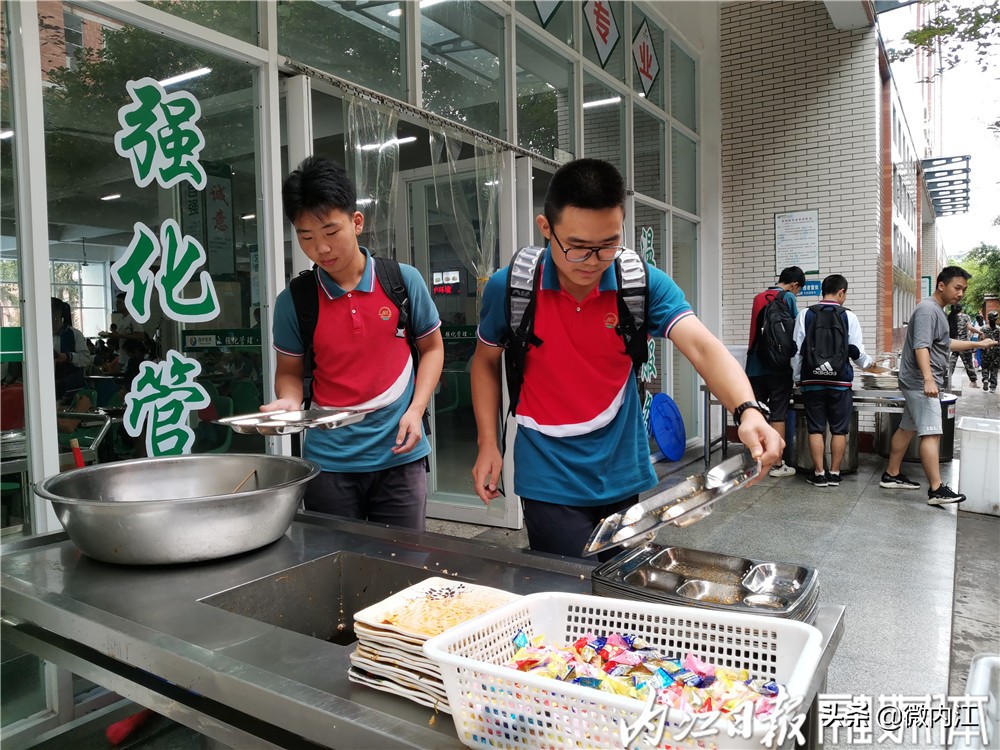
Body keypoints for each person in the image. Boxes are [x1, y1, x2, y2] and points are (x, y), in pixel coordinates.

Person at [470, 158, 783, 560]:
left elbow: (703, 346)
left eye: (608, 244)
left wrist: (748, 411)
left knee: (620, 591)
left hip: (621, 469)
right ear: (546, 228)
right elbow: (483, 362)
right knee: (575, 593)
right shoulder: (511, 287)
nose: (594, 261)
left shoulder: (640, 283)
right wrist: (487, 444)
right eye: (578, 247)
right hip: (547, 472)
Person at [262, 156, 444, 531]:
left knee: (403, 566)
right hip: (330, 463)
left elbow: (432, 348)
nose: (321, 249)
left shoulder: (402, 282)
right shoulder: (295, 301)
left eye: (331, 232)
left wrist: (417, 409)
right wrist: (289, 403)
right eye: (306, 237)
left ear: (356, 222)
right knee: (338, 569)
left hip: (400, 456)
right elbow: (290, 373)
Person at [880, 267, 997, 505]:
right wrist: (929, 379)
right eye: (957, 288)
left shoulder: (937, 312)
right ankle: (936, 489)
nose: (961, 293)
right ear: (941, 285)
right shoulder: (927, 311)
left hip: (917, 380)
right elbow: (921, 346)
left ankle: (891, 474)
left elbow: (945, 343)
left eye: (964, 289)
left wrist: (979, 344)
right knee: (932, 432)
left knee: (907, 428)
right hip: (920, 382)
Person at [791, 275, 884, 486]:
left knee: (816, 429)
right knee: (839, 429)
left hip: (812, 381)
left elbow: (796, 351)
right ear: (841, 292)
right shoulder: (849, 316)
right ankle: (834, 473)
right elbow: (856, 352)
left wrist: (798, 377)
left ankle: (819, 473)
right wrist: (871, 366)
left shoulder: (806, 314)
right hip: (840, 382)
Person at [745, 265, 806, 478]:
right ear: (795, 284)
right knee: (778, 414)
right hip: (778, 368)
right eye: (798, 289)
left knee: (758, 413)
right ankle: (778, 464)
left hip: (755, 366)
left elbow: (754, 334)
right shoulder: (787, 298)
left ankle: (757, 460)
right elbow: (795, 334)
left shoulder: (758, 297)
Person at [51, 297, 94, 404]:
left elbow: (85, 359)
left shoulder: (74, 334)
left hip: (71, 388)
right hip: (49, 386)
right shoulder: (40, 334)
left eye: (54, 317)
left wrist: (68, 356)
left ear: (59, 314)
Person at [947, 304, 980, 389]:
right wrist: (980, 333)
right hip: (964, 344)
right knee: (968, 364)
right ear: (961, 309)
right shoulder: (965, 316)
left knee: (951, 363)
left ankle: (947, 381)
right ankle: (973, 382)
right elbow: (970, 328)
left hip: (953, 344)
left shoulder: (949, 317)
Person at [981, 311, 1000, 393]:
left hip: (986, 351)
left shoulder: (984, 328)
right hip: (996, 352)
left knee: (985, 367)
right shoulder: (999, 329)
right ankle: (992, 386)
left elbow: (980, 339)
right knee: (994, 369)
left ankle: (985, 379)